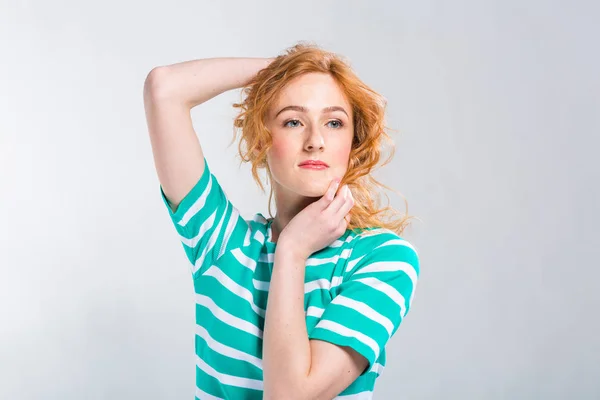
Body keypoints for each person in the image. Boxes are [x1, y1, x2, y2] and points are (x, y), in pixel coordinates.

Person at [143, 42, 421, 400]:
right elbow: (163, 88)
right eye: (293, 120)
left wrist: (292, 249)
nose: (315, 141)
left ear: (353, 146)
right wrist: (289, 70)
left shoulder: (382, 260)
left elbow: (289, 395)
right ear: (261, 141)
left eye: (334, 122)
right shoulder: (224, 246)